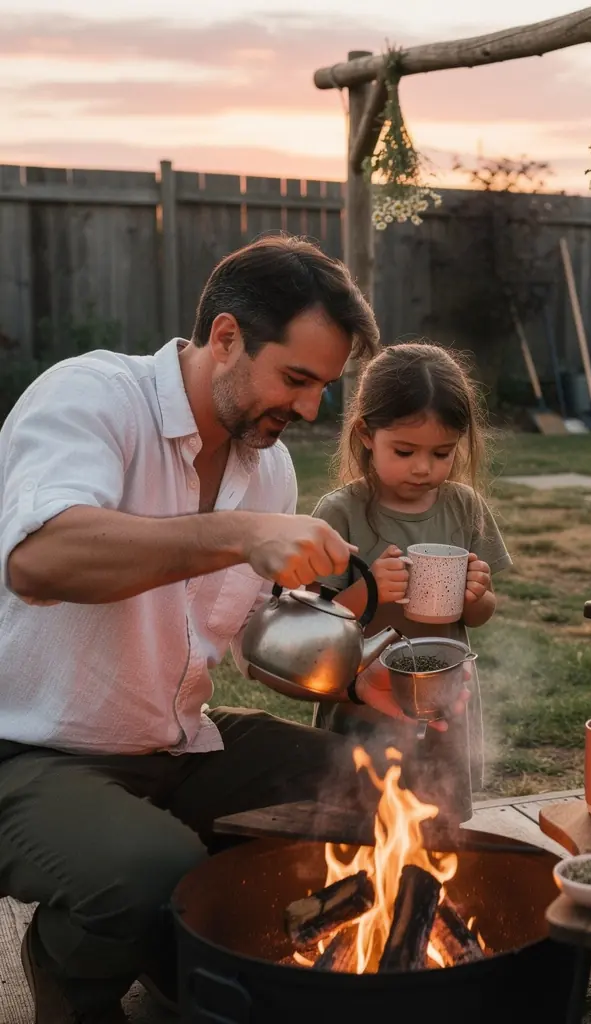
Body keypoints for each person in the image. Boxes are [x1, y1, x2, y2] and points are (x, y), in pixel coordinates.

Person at [0, 235, 414, 1024]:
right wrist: (237, 534)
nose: (308, 409)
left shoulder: (267, 465)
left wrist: (353, 676)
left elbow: (252, 634)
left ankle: (194, 951)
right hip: (29, 752)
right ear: (226, 337)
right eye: (295, 378)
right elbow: (39, 561)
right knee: (147, 870)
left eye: (323, 387)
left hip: (178, 745)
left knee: (375, 791)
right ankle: (68, 967)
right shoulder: (91, 397)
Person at [311, 342, 511, 818]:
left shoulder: (463, 506)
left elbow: (480, 615)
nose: (423, 468)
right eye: (404, 451)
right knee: (357, 822)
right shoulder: (340, 514)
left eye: (442, 453)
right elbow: (315, 625)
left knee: (440, 821)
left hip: (445, 702)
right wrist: (369, 591)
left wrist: (475, 594)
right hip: (363, 704)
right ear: (366, 434)